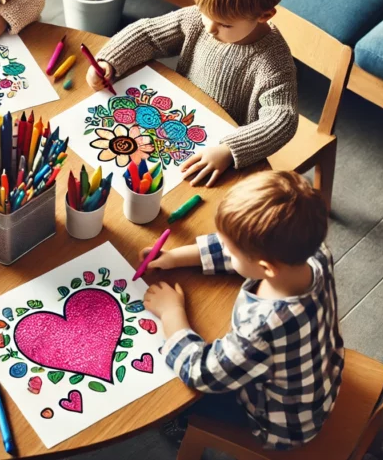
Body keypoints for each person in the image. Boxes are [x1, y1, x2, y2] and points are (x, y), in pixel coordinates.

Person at [143, 170, 343, 449]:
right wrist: (177, 257)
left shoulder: (263, 329)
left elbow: (202, 373)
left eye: (229, 248)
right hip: (322, 382)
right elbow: (247, 246)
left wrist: (172, 313)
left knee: (178, 397)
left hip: (282, 425)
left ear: (265, 268)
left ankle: (181, 427)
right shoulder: (314, 253)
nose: (225, 248)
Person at [90, 0, 297, 186]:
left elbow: (282, 119)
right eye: (203, 11)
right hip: (177, 121)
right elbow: (148, 34)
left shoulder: (272, 61)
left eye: (224, 24)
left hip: (223, 154)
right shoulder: (198, 20)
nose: (209, 27)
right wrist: (109, 61)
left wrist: (229, 150)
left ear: (265, 15)